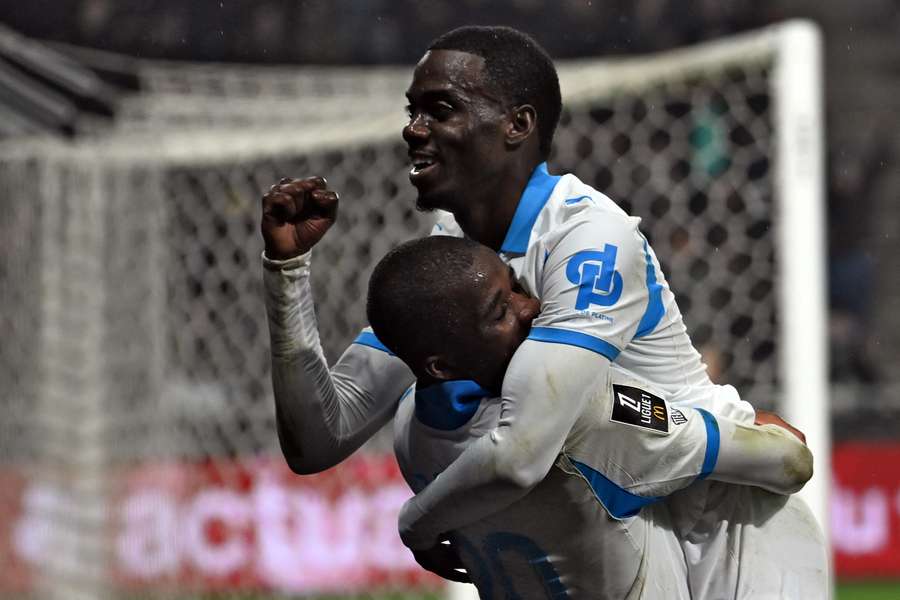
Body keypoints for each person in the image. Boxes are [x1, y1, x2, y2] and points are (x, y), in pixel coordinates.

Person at [260, 24, 801, 571]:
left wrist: (417, 523)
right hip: (613, 539)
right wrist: (287, 270)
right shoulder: (451, 253)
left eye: (440, 110)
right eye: (412, 111)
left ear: (517, 125)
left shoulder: (587, 237)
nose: (413, 130)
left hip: (721, 534)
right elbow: (321, 439)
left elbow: (522, 451)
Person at [368, 235, 827, 599]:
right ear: (441, 366)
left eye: (516, 286)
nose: (531, 308)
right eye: (501, 311)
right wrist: (750, 422)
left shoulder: (408, 428)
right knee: (747, 496)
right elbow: (788, 462)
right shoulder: (585, 414)